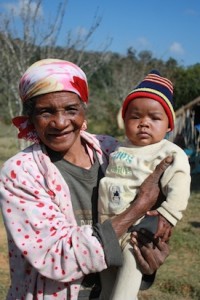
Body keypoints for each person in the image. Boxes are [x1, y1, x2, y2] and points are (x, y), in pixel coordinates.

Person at [0, 59, 172, 300]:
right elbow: (56, 256)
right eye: (45, 111)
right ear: (30, 117)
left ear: (83, 110)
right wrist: (137, 208)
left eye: (71, 109)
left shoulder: (112, 151)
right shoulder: (21, 172)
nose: (60, 123)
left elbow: (142, 229)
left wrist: (146, 261)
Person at [98, 70, 191, 300]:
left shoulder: (168, 152)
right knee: (106, 282)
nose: (144, 124)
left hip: (139, 231)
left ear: (169, 125)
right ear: (125, 119)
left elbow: (179, 184)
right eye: (135, 116)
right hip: (108, 227)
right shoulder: (118, 148)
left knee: (128, 277)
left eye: (154, 118)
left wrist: (168, 215)